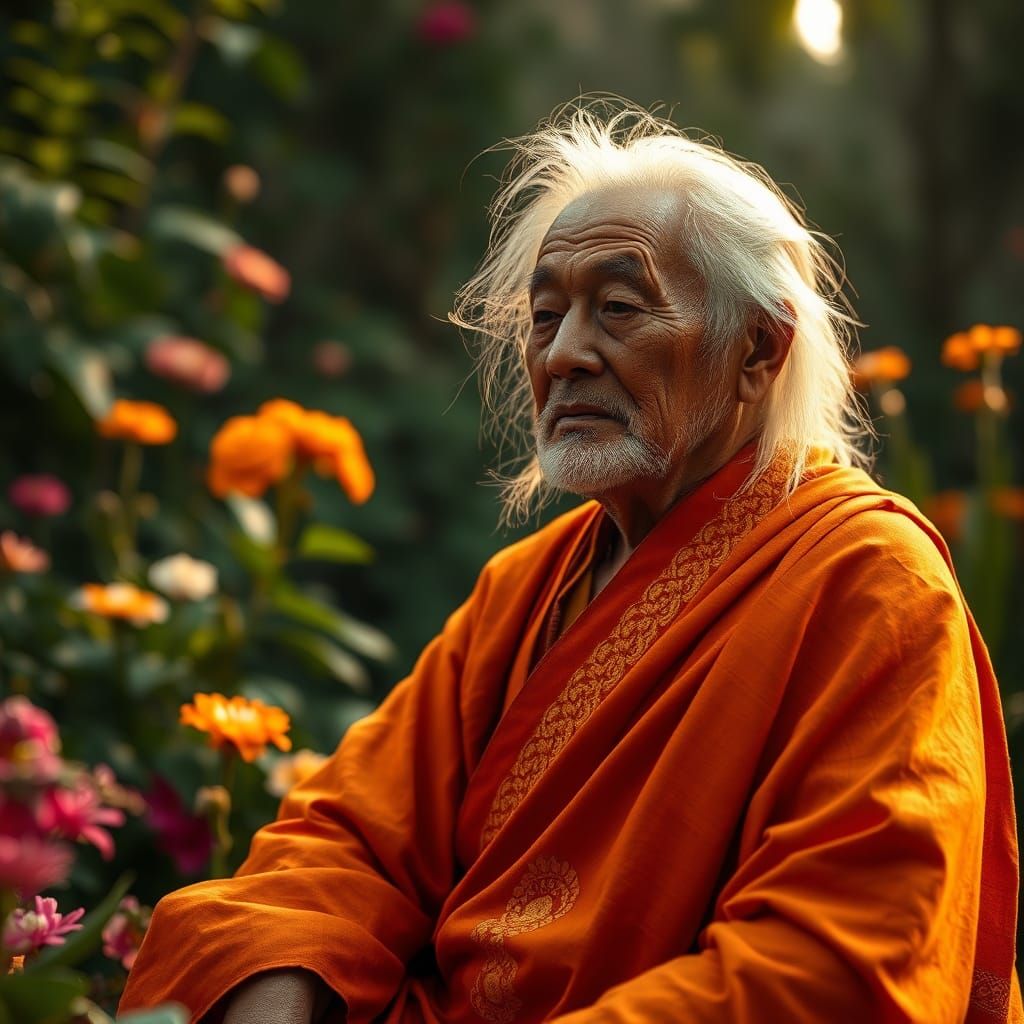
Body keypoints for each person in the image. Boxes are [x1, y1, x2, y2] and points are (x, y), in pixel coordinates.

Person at [118, 101, 1021, 1024]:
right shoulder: (524, 590)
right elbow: (343, 844)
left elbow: (837, 966)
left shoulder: (871, 581)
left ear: (760, 347)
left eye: (619, 309)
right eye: (545, 316)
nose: (565, 353)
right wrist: (277, 988)